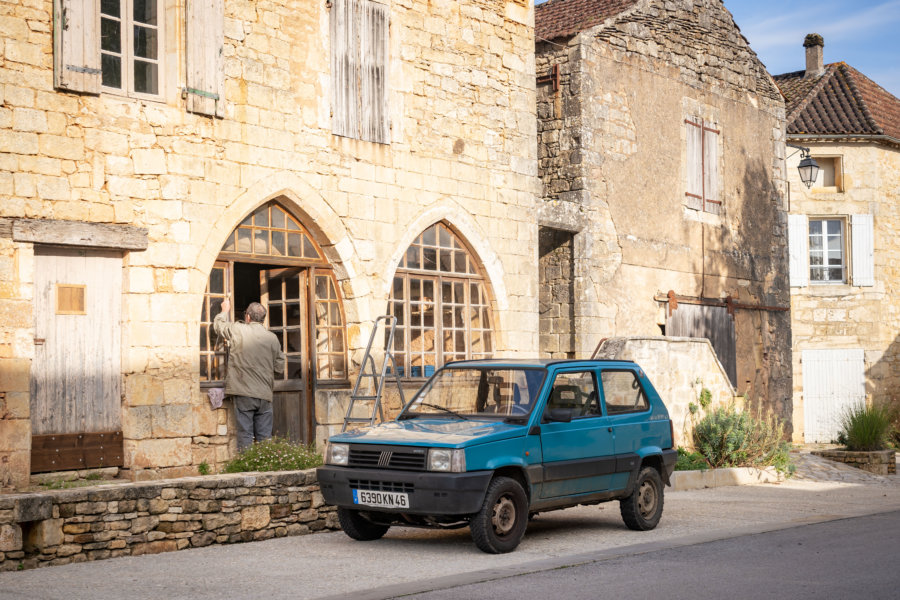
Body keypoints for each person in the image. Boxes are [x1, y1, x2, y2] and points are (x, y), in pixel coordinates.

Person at [214, 299, 286, 450]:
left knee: (245, 434)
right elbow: (280, 367)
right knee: (264, 438)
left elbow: (218, 326)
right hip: (265, 394)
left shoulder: (238, 329)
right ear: (263, 319)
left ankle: (247, 470)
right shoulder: (272, 338)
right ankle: (264, 469)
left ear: (248, 317)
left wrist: (224, 311)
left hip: (244, 393)